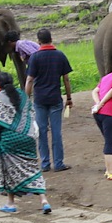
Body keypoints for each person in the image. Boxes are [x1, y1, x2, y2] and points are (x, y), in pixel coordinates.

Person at [0, 72, 52, 214]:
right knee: (33, 168)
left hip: (10, 139)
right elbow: (31, 115)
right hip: (28, 137)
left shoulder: (0, 98)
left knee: (9, 170)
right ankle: (44, 200)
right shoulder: (23, 95)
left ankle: (11, 203)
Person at [25, 28, 73, 173]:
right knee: (56, 132)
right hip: (55, 99)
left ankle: (45, 163)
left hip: (39, 99)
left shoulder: (34, 57)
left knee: (41, 131)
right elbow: (66, 79)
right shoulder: (59, 55)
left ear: (39, 41)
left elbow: (29, 80)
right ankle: (58, 163)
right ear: (51, 39)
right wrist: (69, 98)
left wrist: (26, 100)